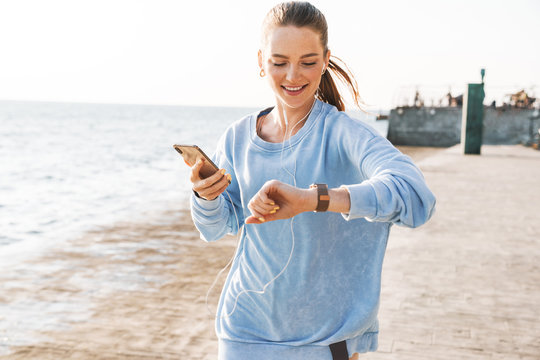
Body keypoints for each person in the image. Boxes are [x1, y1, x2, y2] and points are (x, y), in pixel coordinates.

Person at [188, 2, 436, 359]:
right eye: (279, 62)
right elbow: (216, 228)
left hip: (323, 342)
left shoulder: (344, 134)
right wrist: (205, 197)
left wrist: (316, 199)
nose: (293, 75)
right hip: (241, 333)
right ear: (261, 61)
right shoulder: (237, 137)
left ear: (325, 60)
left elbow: (416, 199)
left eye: (307, 61)